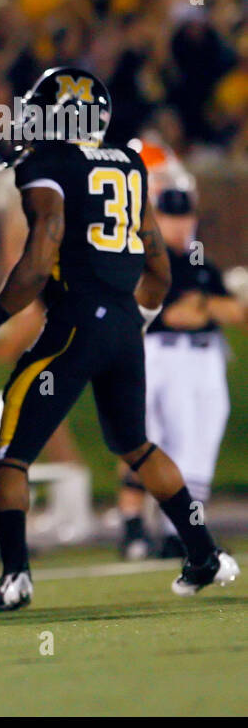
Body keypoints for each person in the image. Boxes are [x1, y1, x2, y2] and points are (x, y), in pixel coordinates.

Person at [0, 67, 239, 612]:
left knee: (10, 457)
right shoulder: (131, 163)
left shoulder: (45, 163)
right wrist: (136, 315)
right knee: (136, 446)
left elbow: (39, 258)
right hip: (122, 322)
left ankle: (15, 577)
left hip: (74, 323)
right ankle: (204, 553)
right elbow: (157, 260)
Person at [117, 182, 246, 559]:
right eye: (171, 216)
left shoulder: (199, 262)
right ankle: (144, 528)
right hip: (163, 355)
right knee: (161, 440)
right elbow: (175, 315)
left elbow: (236, 313)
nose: (178, 224)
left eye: (184, 216)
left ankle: (181, 532)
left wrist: (204, 303)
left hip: (205, 357)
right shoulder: (151, 260)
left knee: (200, 444)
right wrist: (211, 307)